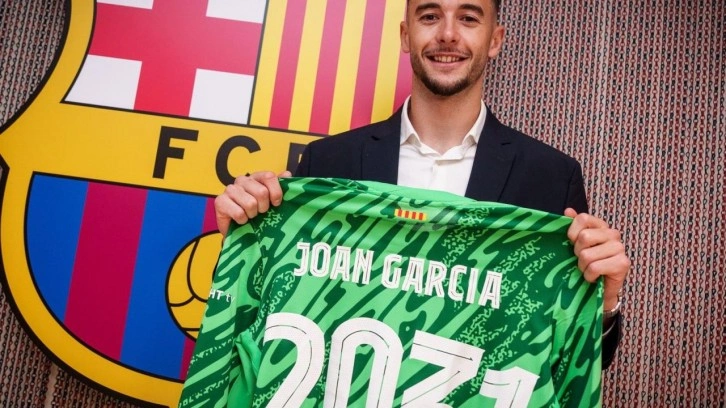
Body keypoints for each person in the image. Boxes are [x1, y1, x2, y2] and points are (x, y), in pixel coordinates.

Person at [213, 0, 630, 369]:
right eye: (429, 16)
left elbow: (575, 362)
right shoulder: (328, 163)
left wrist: (605, 303)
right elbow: (275, 311)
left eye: (468, 18)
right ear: (405, 35)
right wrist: (246, 242)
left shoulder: (551, 178)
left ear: (495, 40)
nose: (448, 34)